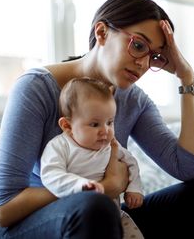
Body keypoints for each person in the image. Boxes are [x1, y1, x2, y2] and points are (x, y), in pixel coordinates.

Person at [0, 0, 194, 239]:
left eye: (153, 56)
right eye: (139, 45)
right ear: (102, 32)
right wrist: (104, 187)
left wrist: (186, 76)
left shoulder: (133, 100)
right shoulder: (36, 88)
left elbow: (190, 169)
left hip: (104, 217)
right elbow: (4, 208)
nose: (143, 63)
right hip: (25, 225)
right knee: (93, 207)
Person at [40, 77, 144, 239]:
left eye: (110, 122)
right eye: (95, 124)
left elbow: (131, 163)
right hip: (78, 217)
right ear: (68, 126)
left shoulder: (111, 145)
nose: (105, 131)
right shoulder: (60, 146)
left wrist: (135, 188)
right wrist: (81, 186)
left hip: (116, 216)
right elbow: (51, 175)